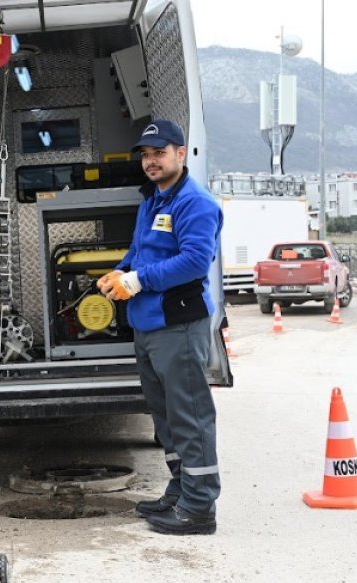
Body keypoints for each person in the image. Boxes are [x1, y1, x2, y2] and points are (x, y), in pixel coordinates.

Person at [97, 120, 223, 535]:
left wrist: (135, 282)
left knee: (189, 415)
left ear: (180, 154)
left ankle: (199, 508)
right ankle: (180, 490)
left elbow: (193, 261)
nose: (150, 161)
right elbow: (139, 251)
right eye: (146, 155)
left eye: (159, 153)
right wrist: (117, 272)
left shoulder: (195, 203)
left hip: (177, 323)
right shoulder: (152, 200)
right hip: (148, 324)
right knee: (165, 416)